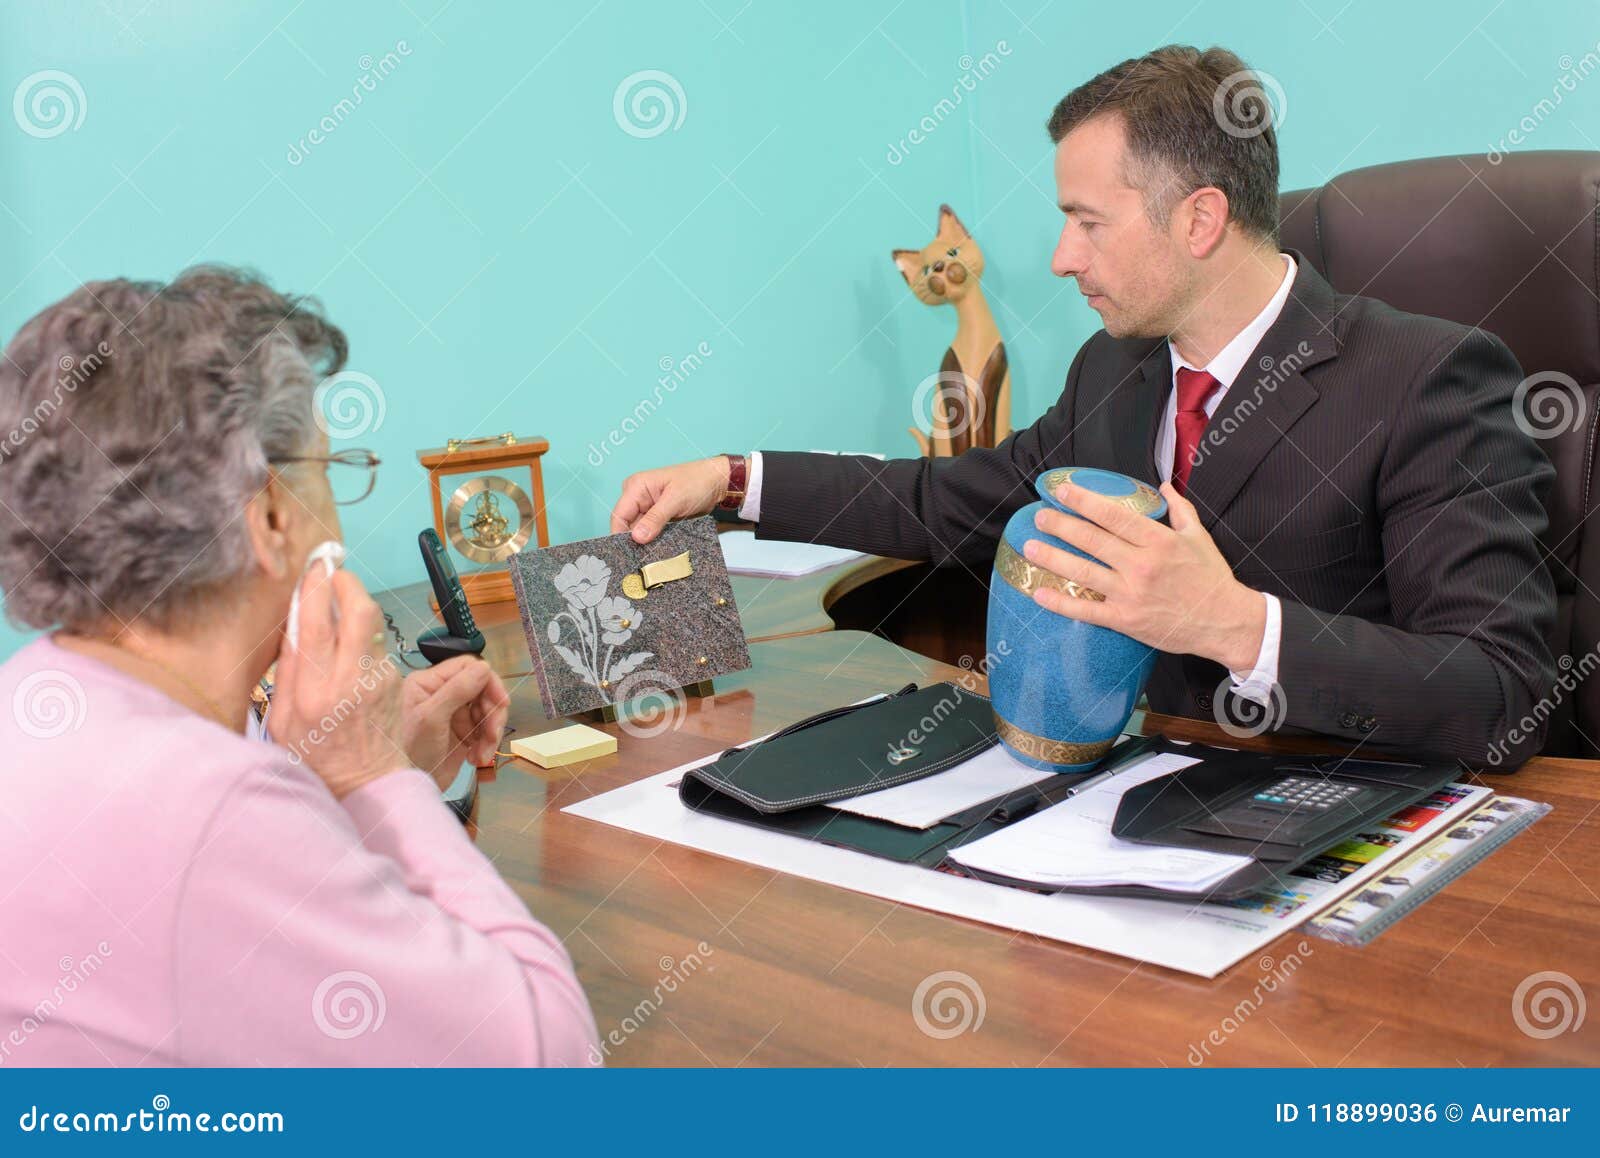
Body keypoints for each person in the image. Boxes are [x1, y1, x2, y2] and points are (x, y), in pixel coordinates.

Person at [611, 45, 1557, 769]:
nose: (1063, 257)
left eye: (1087, 222)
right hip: (1140, 806)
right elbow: (945, 503)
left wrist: (1230, 623)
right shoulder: (1114, 371)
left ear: (1199, 219)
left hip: (1340, 832)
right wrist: (730, 481)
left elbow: (1502, 696)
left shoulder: (1427, 379)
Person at [0, 268, 598, 1065]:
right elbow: (550, 1065)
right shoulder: (213, 810)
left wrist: (324, 787)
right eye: (332, 466)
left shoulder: (40, 700)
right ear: (276, 516)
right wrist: (372, 777)